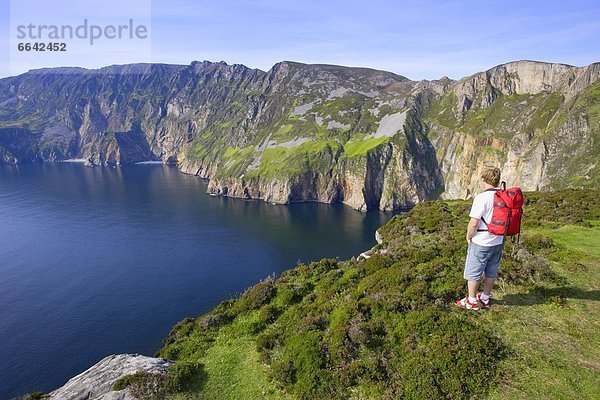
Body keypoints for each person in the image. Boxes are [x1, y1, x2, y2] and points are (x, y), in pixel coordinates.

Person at [455, 166, 504, 310]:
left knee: (474, 272)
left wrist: (468, 236)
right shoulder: (504, 196)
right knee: (491, 271)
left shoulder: (482, 198)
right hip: (498, 240)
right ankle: (485, 298)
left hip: (481, 241)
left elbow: (474, 223)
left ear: (483, 179)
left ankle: (471, 301)